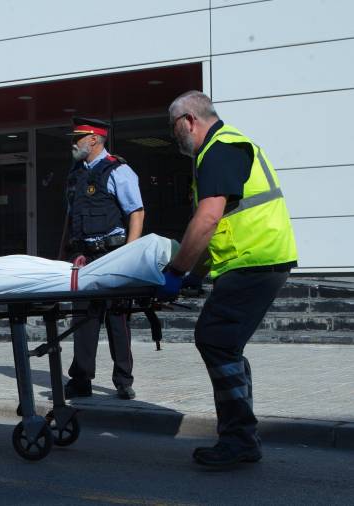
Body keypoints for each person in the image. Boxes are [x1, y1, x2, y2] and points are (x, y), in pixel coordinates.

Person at [159, 91, 297, 467]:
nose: (175, 138)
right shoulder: (225, 148)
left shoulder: (221, 149)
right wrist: (195, 275)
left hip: (255, 261)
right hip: (256, 260)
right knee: (225, 343)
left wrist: (175, 272)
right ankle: (242, 436)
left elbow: (206, 221)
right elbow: (220, 228)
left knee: (215, 339)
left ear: (188, 120)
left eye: (174, 129)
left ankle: (239, 439)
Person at [61, 117, 145, 401]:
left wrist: (129, 254)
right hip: (85, 257)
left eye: (78, 139)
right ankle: (81, 379)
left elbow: (136, 212)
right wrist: (72, 252)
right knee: (83, 319)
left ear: (93, 139)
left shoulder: (118, 170)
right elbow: (72, 218)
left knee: (117, 319)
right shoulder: (76, 175)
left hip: (114, 253)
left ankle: (123, 380)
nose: (73, 144)